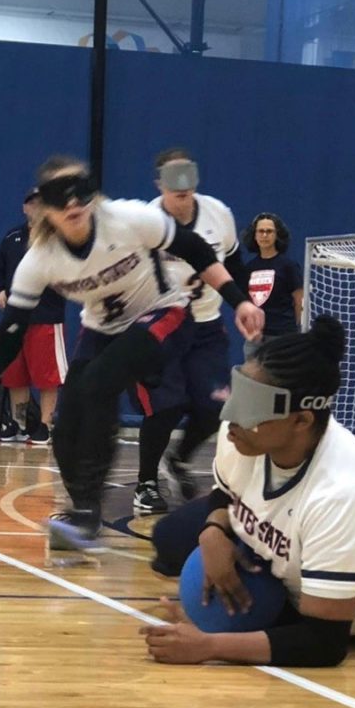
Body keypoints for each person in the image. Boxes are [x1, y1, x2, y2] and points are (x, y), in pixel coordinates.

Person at [0, 155, 264, 553]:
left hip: (163, 313)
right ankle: (85, 511)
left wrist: (239, 301)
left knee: (101, 383)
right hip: (102, 329)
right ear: (44, 207)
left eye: (80, 192)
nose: (72, 205)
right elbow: (9, 334)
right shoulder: (40, 260)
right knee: (66, 424)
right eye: (59, 198)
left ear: (93, 194)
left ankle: (88, 515)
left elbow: (196, 250)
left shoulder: (129, 219)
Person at [141, 315, 355, 667]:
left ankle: (261, 616)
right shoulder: (242, 433)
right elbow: (226, 491)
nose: (231, 416)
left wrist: (210, 645)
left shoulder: (342, 491)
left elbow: (325, 644)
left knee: (286, 626)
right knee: (172, 537)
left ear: (301, 420)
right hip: (282, 547)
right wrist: (213, 530)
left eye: (251, 405)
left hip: (354, 614)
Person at [132, 148, 243, 516]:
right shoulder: (146, 222)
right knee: (165, 406)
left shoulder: (218, 214)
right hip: (162, 324)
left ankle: (178, 460)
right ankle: (146, 483)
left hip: (207, 326)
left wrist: (243, 303)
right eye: (172, 178)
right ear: (159, 183)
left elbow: (234, 264)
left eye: (187, 177)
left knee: (216, 406)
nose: (181, 187)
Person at [0, 187, 67, 447]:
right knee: (15, 375)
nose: (36, 208)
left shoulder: (59, 238)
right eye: (31, 203)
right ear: (25, 207)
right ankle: (19, 423)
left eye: (41, 203)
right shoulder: (12, 236)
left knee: (47, 377)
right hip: (15, 319)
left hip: (46, 316)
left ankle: (46, 424)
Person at [239, 212, 304, 360]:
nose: (264, 235)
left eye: (269, 231)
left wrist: (294, 329)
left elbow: (299, 300)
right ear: (254, 235)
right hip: (256, 337)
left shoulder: (289, 266)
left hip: (282, 336)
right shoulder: (249, 268)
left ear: (277, 235)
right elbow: (246, 302)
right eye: (260, 231)